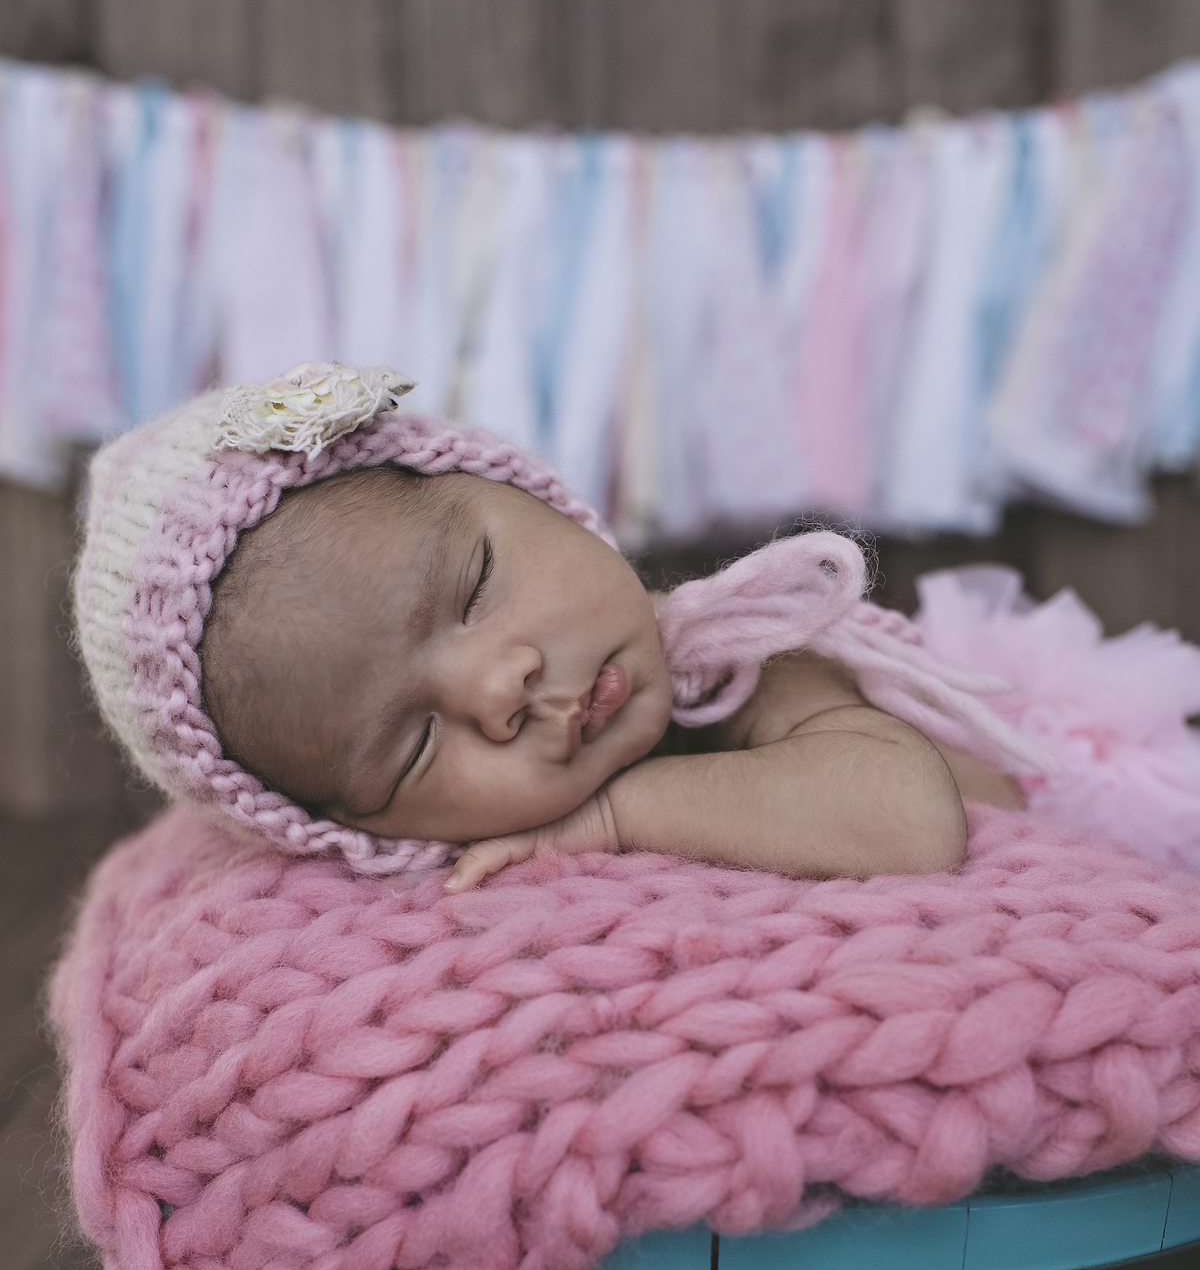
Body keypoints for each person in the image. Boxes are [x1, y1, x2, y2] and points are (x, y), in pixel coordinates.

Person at [73, 362, 1047, 886]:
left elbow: (911, 822)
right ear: (347, 832)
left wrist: (616, 817)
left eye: (476, 587)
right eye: (413, 748)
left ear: (525, 493)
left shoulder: (736, 668)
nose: (501, 690)